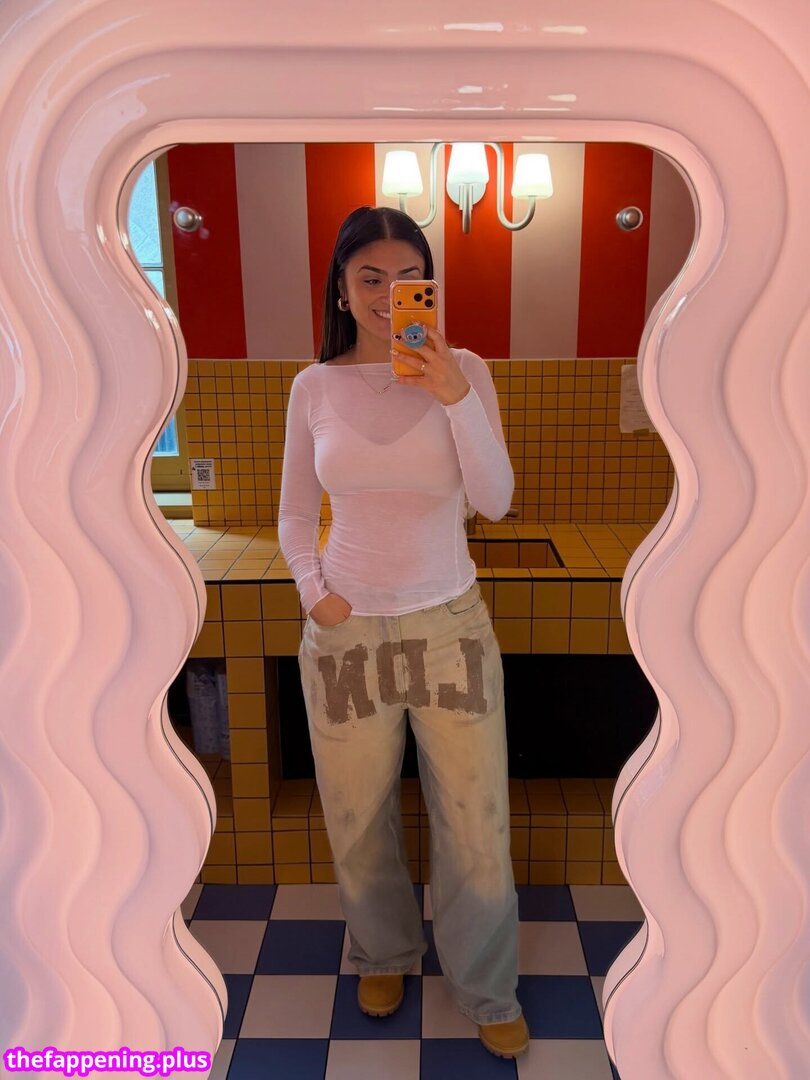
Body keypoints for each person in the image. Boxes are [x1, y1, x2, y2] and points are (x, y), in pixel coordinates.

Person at [278, 206, 529, 1059]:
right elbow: (293, 513)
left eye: (409, 277)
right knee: (356, 815)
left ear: (431, 287)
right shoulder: (314, 387)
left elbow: (495, 500)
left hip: (450, 626)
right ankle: (382, 952)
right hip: (345, 633)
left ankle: (487, 989)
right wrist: (315, 593)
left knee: (476, 820)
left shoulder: (467, 371)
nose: (390, 294)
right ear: (341, 292)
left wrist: (453, 394)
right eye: (370, 278)